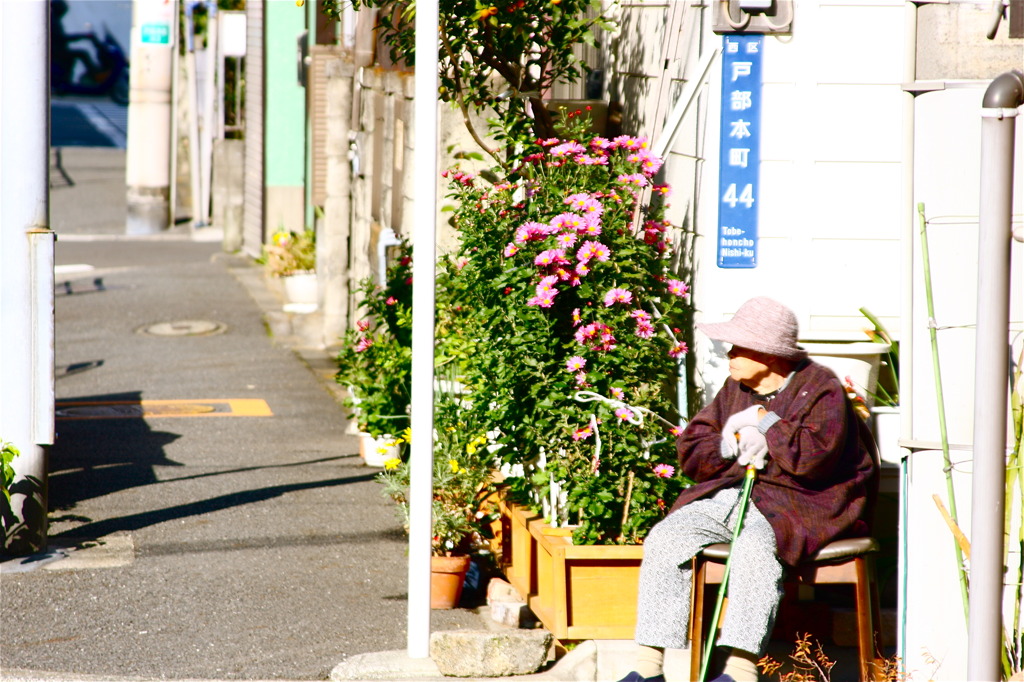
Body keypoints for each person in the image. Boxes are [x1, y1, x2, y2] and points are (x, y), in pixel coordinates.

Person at [618, 297, 879, 682]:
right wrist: (727, 444)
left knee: (755, 548)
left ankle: (740, 671)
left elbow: (813, 460)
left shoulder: (823, 389)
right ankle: (647, 668)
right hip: (739, 491)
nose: (731, 353)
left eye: (740, 346)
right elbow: (694, 445)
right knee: (668, 536)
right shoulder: (736, 386)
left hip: (804, 503)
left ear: (770, 355)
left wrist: (766, 421)